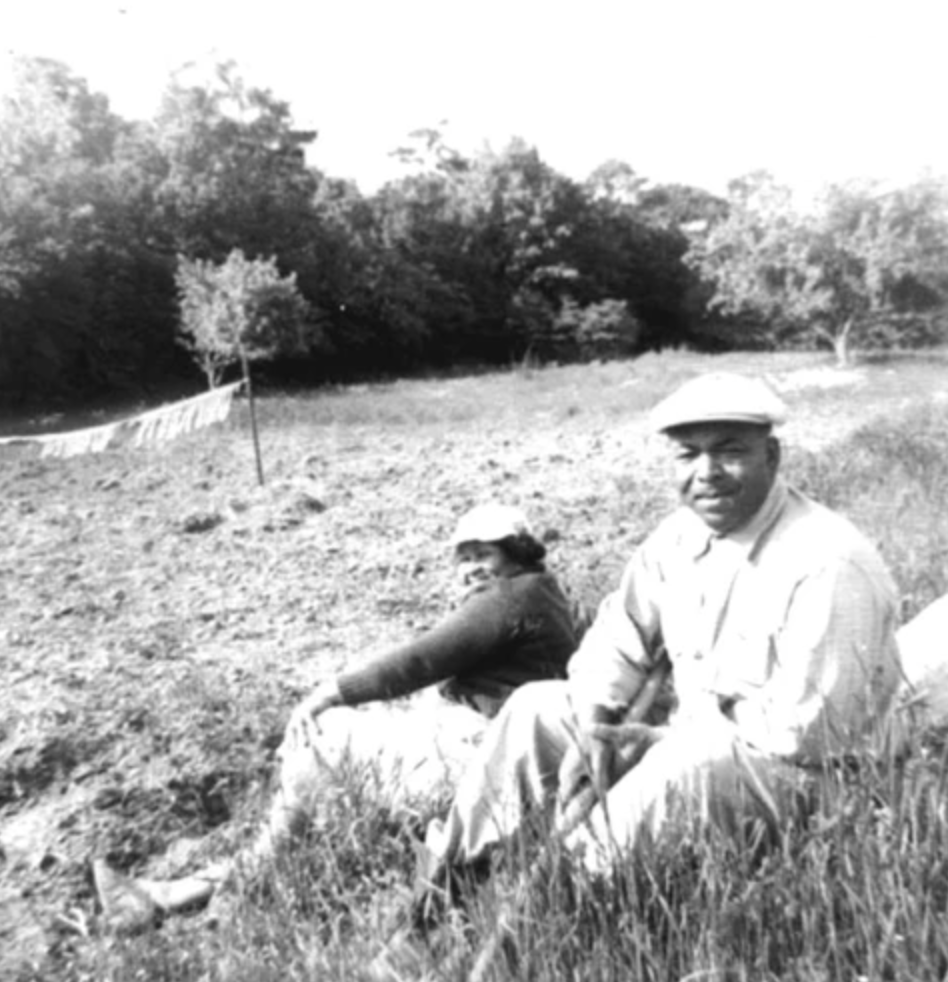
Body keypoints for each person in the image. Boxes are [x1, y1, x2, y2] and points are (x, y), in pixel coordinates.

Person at [411, 373, 901, 912]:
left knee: (682, 764)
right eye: (688, 455)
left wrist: (653, 741)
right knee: (536, 706)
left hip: (809, 784)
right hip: (701, 746)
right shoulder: (679, 537)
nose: (706, 473)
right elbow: (615, 642)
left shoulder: (826, 561)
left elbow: (808, 733)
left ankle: (550, 917)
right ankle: (444, 897)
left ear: (773, 456)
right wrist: (599, 725)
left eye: (730, 452)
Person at [94, 503, 578, 930]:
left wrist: (329, 693)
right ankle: (196, 889)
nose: (471, 569)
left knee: (319, 735)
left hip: (475, 766)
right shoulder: (549, 594)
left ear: (517, 553)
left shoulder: (511, 598)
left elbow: (420, 660)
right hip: (502, 765)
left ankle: (236, 891)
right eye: (464, 557)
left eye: (484, 555)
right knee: (326, 775)